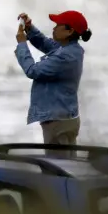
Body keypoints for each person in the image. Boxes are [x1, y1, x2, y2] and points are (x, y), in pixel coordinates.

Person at [14, 10, 91, 146]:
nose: (54, 28)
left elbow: (32, 71)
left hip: (58, 121)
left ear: (69, 31)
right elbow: (45, 43)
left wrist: (22, 44)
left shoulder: (65, 56)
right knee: (65, 163)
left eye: (57, 25)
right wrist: (29, 28)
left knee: (58, 164)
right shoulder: (70, 49)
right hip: (63, 117)